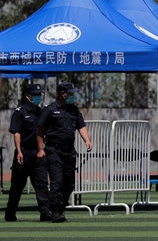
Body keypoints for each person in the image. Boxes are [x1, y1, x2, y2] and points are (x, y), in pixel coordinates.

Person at [37, 82, 92, 223]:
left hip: (69, 151)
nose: (73, 96)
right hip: (54, 150)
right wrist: (41, 149)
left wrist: (87, 140)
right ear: (63, 94)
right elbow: (40, 130)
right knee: (57, 182)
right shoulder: (50, 110)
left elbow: (81, 126)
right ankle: (56, 212)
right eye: (71, 93)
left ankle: (58, 207)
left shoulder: (74, 110)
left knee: (69, 183)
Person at [5, 84, 51, 222]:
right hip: (23, 152)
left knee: (41, 183)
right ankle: (10, 213)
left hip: (38, 152)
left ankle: (45, 213)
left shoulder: (42, 112)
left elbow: (44, 131)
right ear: (28, 96)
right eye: (36, 95)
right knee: (18, 185)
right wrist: (19, 151)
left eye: (39, 95)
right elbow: (16, 133)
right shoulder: (20, 112)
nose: (38, 97)